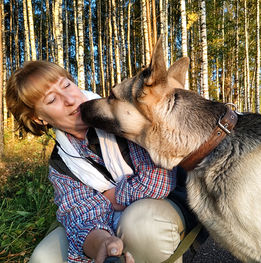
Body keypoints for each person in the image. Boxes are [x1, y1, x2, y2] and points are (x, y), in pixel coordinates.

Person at [6, 61, 196, 263]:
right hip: (108, 222)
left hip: (167, 206)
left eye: (67, 85)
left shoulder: (124, 113)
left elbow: (157, 183)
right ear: (39, 118)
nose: (70, 99)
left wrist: (110, 197)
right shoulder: (61, 162)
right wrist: (104, 243)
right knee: (44, 257)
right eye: (52, 100)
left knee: (140, 225)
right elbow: (80, 216)